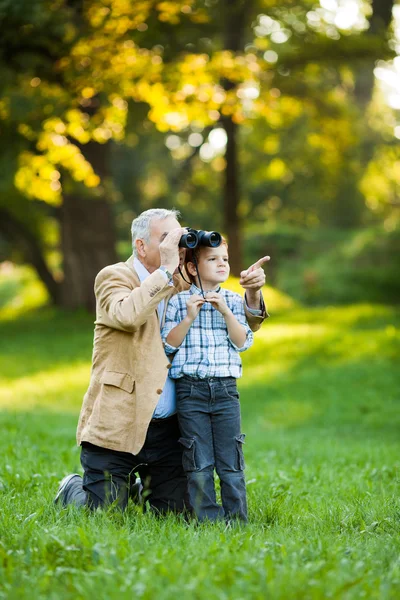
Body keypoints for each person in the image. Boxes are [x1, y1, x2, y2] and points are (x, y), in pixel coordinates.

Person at [55, 208, 268, 513]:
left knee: (178, 514)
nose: (177, 246)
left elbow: (244, 321)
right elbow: (126, 316)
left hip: (169, 432)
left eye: (179, 237)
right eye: (166, 239)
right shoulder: (114, 276)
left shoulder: (184, 282)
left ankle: (140, 489)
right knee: (105, 515)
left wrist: (252, 292)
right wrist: (167, 269)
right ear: (141, 246)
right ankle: (74, 489)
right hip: (118, 427)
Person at [161, 238, 254, 523]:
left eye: (224, 259)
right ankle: (208, 520)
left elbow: (243, 343)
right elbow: (168, 344)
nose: (222, 263)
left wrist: (225, 312)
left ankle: (236, 520)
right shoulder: (177, 302)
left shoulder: (235, 301)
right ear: (192, 267)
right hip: (191, 390)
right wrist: (189, 317)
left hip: (226, 390)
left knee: (231, 460)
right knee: (198, 460)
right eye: (213, 259)